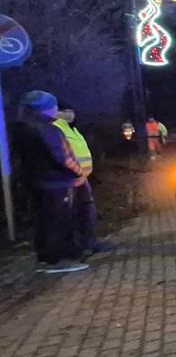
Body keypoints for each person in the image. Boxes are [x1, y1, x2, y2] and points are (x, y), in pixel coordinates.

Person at [12, 91, 88, 273]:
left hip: (36, 181)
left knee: (44, 220)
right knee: (58, 220)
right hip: (56, 182)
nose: (57, 110)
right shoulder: (47, 129)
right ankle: (58, 260)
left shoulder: (22, 127)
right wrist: (79, 172)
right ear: (46, 108)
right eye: (54, 106)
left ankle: (45, 257)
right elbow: (62, 157)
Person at [54, 103, 113, 255]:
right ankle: (79, 246)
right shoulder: (57, 129)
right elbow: (61, 156)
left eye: (71, 111)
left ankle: (89, 244)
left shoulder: (71, 129)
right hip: (69, 179)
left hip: (81, 178)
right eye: (65, 111)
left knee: (86, 211)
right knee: (75, 214)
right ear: (57, 112)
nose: (70, 114)